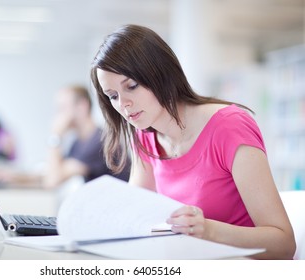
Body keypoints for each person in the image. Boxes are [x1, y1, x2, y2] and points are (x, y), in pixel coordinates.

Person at [90, 24, 295, 259]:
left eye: (132, 86)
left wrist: (209, 230)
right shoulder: (145, 136)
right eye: (113, 96)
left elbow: (284, 244)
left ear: (160, 73)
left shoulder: (229, 126)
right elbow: (134, 221)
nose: (123, 104)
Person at [0, 85, 129, 188]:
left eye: (62, 108)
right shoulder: (79, 142)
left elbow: (53, 180)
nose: (58, 115)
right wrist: (13, 176)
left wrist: (55, 136)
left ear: (82, 107)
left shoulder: (99, 141)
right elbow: (51, 174)